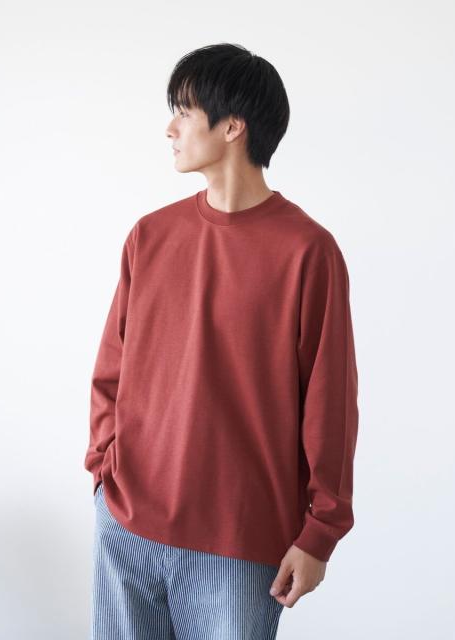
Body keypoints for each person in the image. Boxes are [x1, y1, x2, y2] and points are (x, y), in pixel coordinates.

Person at [85, 42, 359, 640]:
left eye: (184, 112)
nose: (170, 129)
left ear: (233, 126)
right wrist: (104, 471)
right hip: (128, 524)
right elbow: (112, 368)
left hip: (237, 542)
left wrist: (321, 532)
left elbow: (330, 403)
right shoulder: (149, 236)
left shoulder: (307, 252)